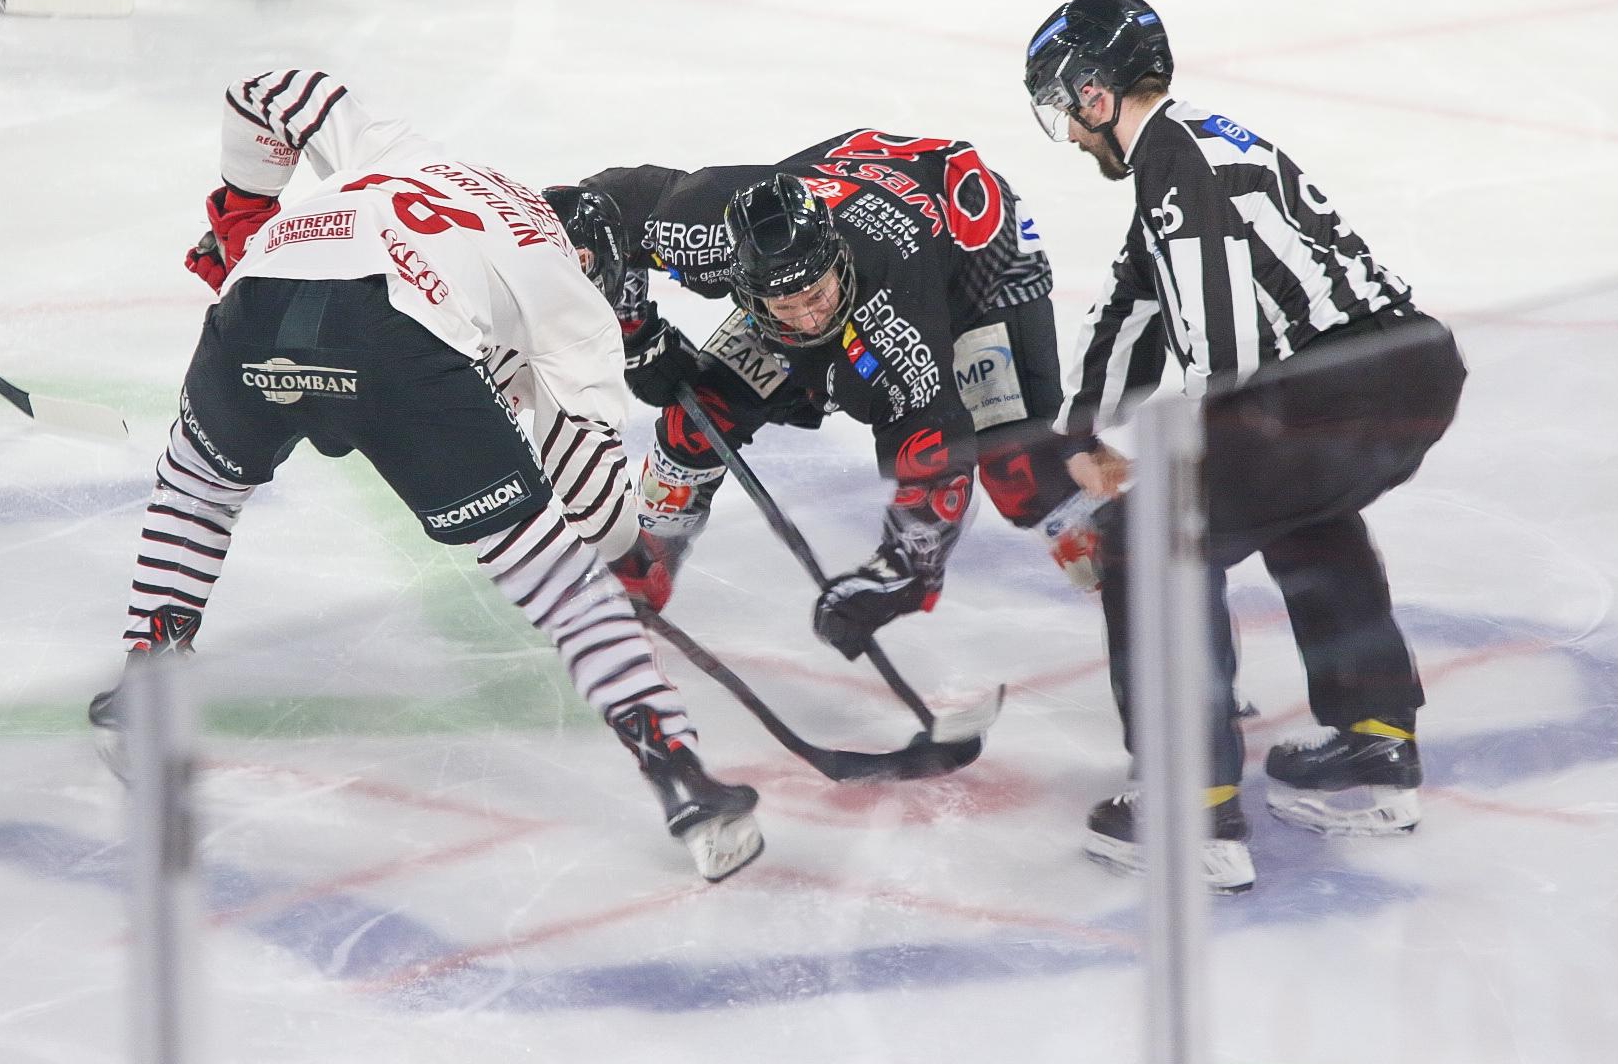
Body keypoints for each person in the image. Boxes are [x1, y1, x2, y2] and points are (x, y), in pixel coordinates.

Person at [86, 69, 763, 883]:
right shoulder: (575, 303)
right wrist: (629, 558)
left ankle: (147, 676)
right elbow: (587, 487)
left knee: (197, 486)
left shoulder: (418, 158)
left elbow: (273, 89)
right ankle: (680, 775)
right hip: (394, 341)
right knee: (558, 580)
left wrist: (246, 213)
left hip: (259, 302)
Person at [1024, 0, 1467, 892]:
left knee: (1148, 537)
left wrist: (1150, 491)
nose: (1068, 134)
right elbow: (1134, 305)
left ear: (1096, 93)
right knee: (1304, 507)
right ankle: (1373, 744)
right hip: (1409, 373)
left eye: (1063, 109)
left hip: (1332, 392)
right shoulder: (1200, 143)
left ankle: (1190, 803)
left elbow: (1220, 360)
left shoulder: (1174, 166)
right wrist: (1072, 430)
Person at [547, 132, 1103, 656]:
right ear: (741, 281)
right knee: (699, 418)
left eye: (816, 293)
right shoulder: (707, 228)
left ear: (834, 259)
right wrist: (636, 331)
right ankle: (642, 567)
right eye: (785, 305)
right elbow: (591, 217)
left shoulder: (894, 326)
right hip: (869, 191)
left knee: (1022, 470)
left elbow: (936, 448)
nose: (810, 316)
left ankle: (1128, 562)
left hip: (978, 261)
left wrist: (900, 573)